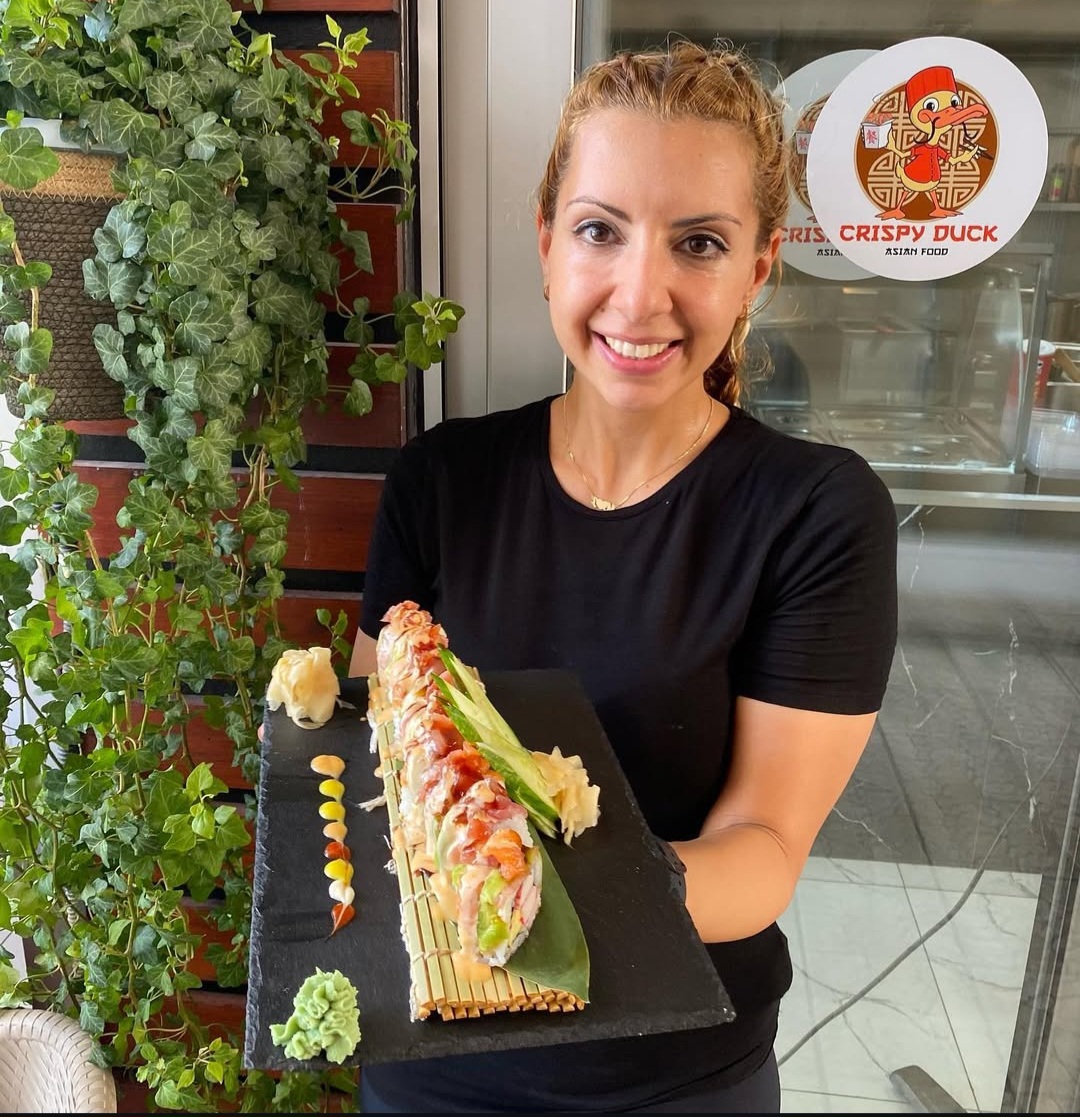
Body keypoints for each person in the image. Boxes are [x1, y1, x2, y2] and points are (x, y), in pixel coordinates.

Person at [350, 40, 898, 1114]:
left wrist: (527, 881)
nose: (640, 295)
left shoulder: (817, 513)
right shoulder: (441, 479)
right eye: (600, 229)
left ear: (758, 268)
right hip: (430, 1056)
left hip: (673, 1075)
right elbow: (389, 745)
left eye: (699, 242)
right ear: (547, 241)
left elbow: (763, 847)